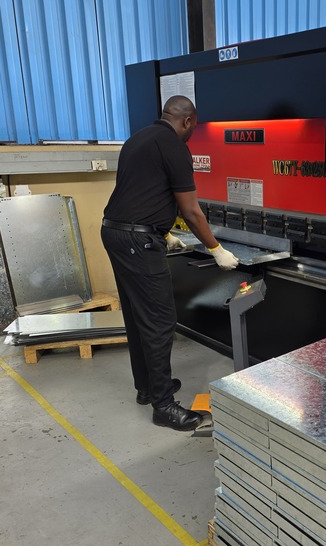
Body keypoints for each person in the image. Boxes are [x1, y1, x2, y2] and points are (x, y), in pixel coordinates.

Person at [101, 95, 238, 432]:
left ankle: (148, 388)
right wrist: (216, 248)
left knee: (138, 315)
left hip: (115, 232)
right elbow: (190, 210)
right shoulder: (175, 146)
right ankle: (163, 406)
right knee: (160, 321)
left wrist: (162, 233)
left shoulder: (137, 140)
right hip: (137, 241)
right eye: (194, 127)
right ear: (188, 121)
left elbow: (141, 194)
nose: (192, 133)